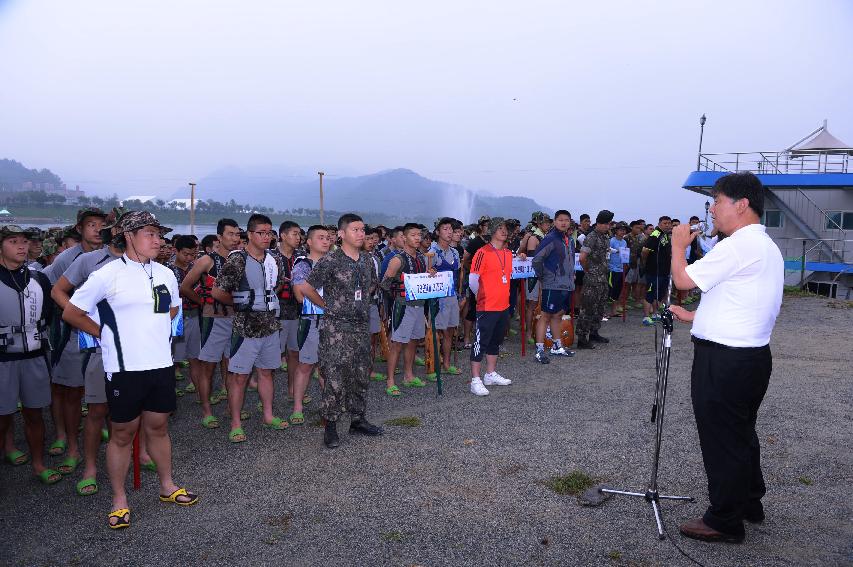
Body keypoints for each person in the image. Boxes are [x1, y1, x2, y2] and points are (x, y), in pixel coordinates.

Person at [63, 211, 198, 529]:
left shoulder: (165, 273)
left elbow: (173, 307)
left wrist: (155, 332)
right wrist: (103, 333)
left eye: (159, 234)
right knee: (122, 434)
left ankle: (167, 486)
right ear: (128, 236)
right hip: (123, 368)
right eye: (150, 234)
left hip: (161, 364)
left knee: (159, 428)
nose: (158, 240)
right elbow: (72, 311)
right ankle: (119, 500)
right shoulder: (108, 275)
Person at [669, 172, 783, 544]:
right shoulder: (763, 246)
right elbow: (745, 302)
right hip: (750, 356)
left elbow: (684, 281)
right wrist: (695, 316)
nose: (712, 210)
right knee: (740, 432)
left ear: (742, 204)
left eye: (717, 201)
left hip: (725, 360)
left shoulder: (737, 246)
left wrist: (677, 246)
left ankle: (724, 519)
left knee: (722, 438)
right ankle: (749, 501)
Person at [51, 208, 128, 494]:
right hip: (96, 346)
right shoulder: (87, 261)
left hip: (131, 350)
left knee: (135, 410)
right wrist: (80, 317)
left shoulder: (142, 264)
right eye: (116, 227)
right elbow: (57, 290)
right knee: (96, 410)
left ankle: (140, 455)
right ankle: (90, 467)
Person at [295, 213, 383, 449]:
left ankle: (357, 419)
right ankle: (331, 425)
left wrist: (361, 303)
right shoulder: (330, 260)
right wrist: (326, 305)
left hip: (361, 326)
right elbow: (307, 287)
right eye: (355, 229)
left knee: (361, 374)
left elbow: (372, 285)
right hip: (336, 329)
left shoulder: (366, 260)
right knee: (334, 377)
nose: (361, 234)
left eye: (363, 229)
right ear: (342, 234)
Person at [212, 214, 289, 441]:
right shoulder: (238, 260)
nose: (266, 237)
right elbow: (218, 292)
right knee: (239, 377)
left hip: (270, 326)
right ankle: (235, 423)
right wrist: (240, 305)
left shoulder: (274, 260)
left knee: (267, 373)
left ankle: (268, 415)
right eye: (261, 233)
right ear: (250, 234)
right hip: (245, 328)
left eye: (269, 233)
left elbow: (278, 285)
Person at [42, 207, 108, 460]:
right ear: (79, 229)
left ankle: (99, 432)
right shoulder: (67, 258)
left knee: (99, 390)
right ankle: (69, 442)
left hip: (101, 333)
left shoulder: (112, 256)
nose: (97, 229)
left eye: (101, 224)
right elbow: (51, 289)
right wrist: (75, 313)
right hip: (71, 330)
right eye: (91, 224)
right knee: (69, 388)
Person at [0, 225, 60, 485]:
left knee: (35, 414)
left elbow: (47, 314)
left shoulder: (39, 278)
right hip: (3, 360)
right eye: (13, 241)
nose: (22, 246)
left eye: (24, 241)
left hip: (34, 357)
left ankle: (38, 464)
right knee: (2, 417)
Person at [179, 219, 241, 425]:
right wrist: (205, 302)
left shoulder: (240, 259)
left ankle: (233, 410)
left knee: (232, 366)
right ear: (220, 237)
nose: (234, 238)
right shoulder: (207, 260)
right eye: (230, 234)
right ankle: (206, 411)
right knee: (208, 367)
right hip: (213, 320)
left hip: (236, 318)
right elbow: (185, 287)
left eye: (237, 234)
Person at [467, 218, 517, 396]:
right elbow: (473, 279)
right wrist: (481, 297)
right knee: (480, 342)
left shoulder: (508, 253)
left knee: (495, 341)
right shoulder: (482, 252)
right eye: (500, 228)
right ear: (493, 231)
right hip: (487, 306)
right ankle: (475, 380)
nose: (504, 232)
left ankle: (490, 374)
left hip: (503, 305)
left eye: (506, 229)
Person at [381, 223, 431, 395]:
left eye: (419, 235)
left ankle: (408, 376)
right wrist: (399, 290)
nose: (417, 238)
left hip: (419, 306)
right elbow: (385, 284)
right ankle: (390, 380)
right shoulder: (397, 259)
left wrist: (429, 276)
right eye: (413, 235)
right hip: (403, 306)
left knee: (413, 342)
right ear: (404, 237)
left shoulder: (422, 258)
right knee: (397, 343)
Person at [290, 225, 331, 424]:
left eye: (328, 238)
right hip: (312, 320)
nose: (326, 241)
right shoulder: (303, 264)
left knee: (328, 366)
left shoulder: (335, 263)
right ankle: (298, 407)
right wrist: (326, 302)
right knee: (306, 365)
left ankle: (328, 405)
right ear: (309, 242)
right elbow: (299, 295)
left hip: (333, 322)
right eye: (320, 237)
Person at [531, 210, 576, 363]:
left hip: (566, 285)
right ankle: (539, 350)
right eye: (560, 220)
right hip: (552, 284)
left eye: (567, 220)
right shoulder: (550, 239)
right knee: (545, 316)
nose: (564, 222)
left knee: (557, 315)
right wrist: (544, 276)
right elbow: (537, 259)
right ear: (555, 222)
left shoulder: (569, 239)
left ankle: (557, 346)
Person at [168, 235, 202, 403]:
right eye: (186, 254)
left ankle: (200, 395)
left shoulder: (195, 268)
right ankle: (169, 396)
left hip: (194, 315)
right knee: (171, 360)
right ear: (176, 251)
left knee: (195, 358)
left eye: (193, 255)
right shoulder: (167, 270)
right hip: (175, 318)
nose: (189, 258)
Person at [273, 221, 302, 399]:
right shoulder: (271, 257)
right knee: (272, 355)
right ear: (283, 235)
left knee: (295, 353)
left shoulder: (302, 256)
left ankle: (293, 390)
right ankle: (269, 394)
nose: (298, 238)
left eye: (299, 234)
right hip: (277, 312)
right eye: (294, 234)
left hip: (297, 310)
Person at [429, 218, 462, 376]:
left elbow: (458, 274)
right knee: (435, 332)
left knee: (450, 331)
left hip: (452, 296)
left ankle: (447, 364)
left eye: (451, 229)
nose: (449, 232)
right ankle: (434, 365)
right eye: (445, 229)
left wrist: (460, 295)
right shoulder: (432, 252)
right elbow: (425, 275)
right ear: (437, 232)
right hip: (437, 298)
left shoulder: (455, 252)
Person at [576, 210, 613, 349]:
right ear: (600, 223)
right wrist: (588, 270)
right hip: (592, 279)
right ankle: (581, 338)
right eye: (607, 224)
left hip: (603, 278)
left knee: (599, 307)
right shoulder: (591, 237)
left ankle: (593, 332)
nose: (609, 227)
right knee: (588, 308)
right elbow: (582, 257)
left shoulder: (604, 237)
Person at [640, 216, 673, 326]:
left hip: (664, 271)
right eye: (665, 223)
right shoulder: (655, 234)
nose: (667, 225)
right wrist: (646, 264)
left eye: (669, 223)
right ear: (659, 224)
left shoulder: (665, 235)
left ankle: (655, 314)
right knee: (650, 293)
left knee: (659, 294)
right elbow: (645, 251)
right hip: (654, 270)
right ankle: (646, 316)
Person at [607, 222, 629, 318]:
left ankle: (614, 310)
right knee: (611, 289)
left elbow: (625, 253)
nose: (622, 232)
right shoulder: (612, 240)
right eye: (620, 230)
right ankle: (609, 311)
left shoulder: (624, 242)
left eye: (624, 230)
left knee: (618, 289)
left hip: (621, 268)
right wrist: (616, 251)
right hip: (612, 268)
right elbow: (607, 250)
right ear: (616, 231)